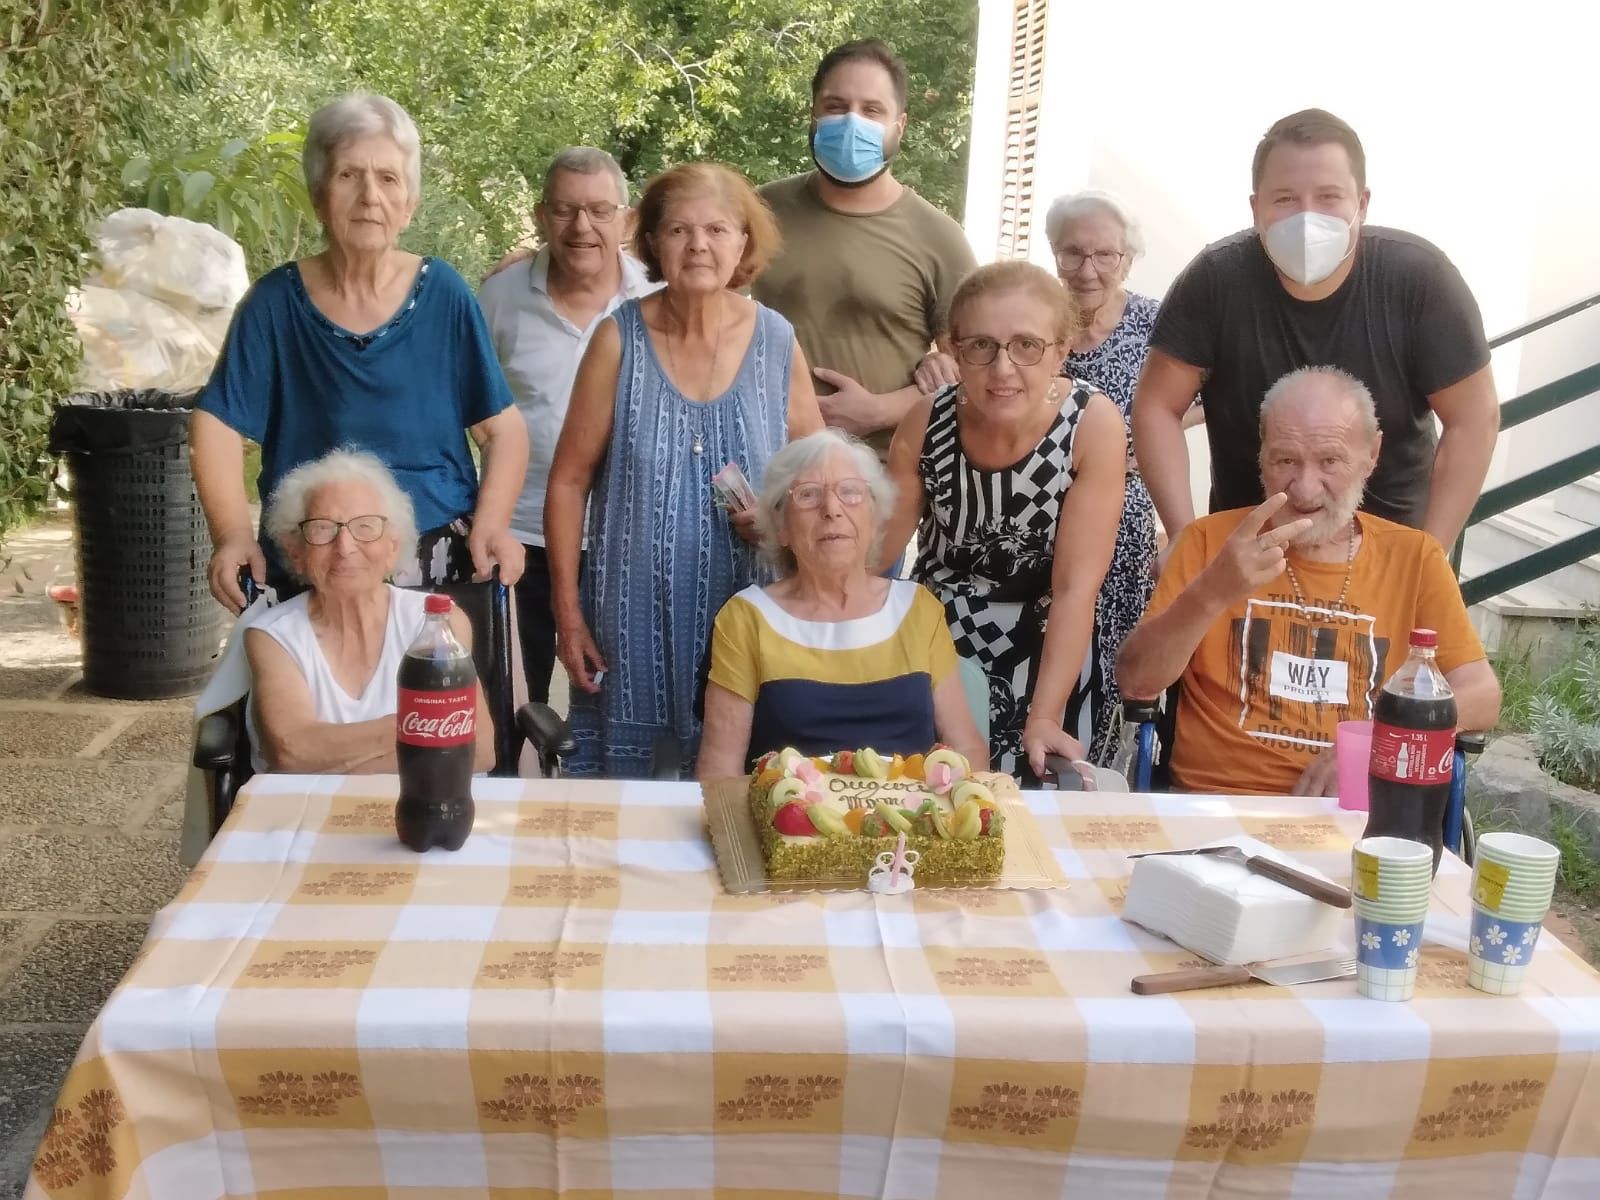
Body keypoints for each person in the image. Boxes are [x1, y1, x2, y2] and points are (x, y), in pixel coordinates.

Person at [192, 92, 528, 614]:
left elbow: (503, 430)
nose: (370, 196)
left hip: (434, 561)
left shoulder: (444, 294)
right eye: (349, 175)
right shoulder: (274, 302)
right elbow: (216, 424)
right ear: (318, 196)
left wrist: (492, 524)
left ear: (409, 204)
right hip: (313, 559)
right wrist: (232, 535)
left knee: (433, 673)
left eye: (388, 178)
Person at [546, 163, 824, 777]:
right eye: (679, 230)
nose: (699, 245)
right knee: (624, 797)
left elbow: (817, 474)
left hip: (749, 608)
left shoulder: (776, 340)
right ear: (652, 242)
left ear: (743, 243)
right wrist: (568, 614)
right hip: (629, 615)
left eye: (717, 229)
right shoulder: (618, 339)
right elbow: (567, 481)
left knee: (747, 789)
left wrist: (777, 518)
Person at [1118, 366, 1501, 797]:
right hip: (1218, 806)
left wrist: (1383, 737)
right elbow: (1136, 682)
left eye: (1330, 461)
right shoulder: (1207, 543)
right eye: (1285, 460)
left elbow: (1481, 693)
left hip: (1358, 811)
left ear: (1372, 455)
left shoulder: (1415, 557)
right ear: (1262, 454)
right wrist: (1211, 593)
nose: (1305, 488)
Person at [1132, 108, 1497, 552]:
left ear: (1362, 204)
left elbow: (1473, 418)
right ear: (1256, 209)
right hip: (1249, 554)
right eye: (1285, 199)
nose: (1306, 219)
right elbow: (1157, 405)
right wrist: (1185, 538)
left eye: (1328, 197)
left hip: (1386, 556)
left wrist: (1429, 555)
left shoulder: (1420, 282)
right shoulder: (1215, 282)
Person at [882, 260, 1126, 784]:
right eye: (981, 346)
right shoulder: (925, 421)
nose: (1002, 368)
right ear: (954, 349)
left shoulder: (1091, 426)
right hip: (934, 649)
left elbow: (1075, 589)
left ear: (1061, 351)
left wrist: (1045, 716)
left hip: (1046, 652)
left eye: (1027, 346)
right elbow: (875, 559)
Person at [477, 147, 660, 705]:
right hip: (520, 537)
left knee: (622, 701)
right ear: (540, 216)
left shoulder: (657, 297)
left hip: (626, 540)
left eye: (600, 211)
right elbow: (468, 405)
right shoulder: (499, 297)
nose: (582, 227)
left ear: (627, 221)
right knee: (515, 702)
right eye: (565, 210)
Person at [697, 430, 987, 777]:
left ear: (874, 518)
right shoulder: (746, 618)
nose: (832, 509)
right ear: (781, 525)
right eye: (808, 495)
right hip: (788, 810)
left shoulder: (918, 608)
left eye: (850, 492)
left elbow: (966, 746)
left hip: (908, 811)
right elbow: (720, 768)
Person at [752, 38, 976, 458]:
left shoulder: (939, 237)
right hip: (761, 463)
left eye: (871, 110)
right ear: (813, 113)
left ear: (899, 126)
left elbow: (973, 370)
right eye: (835, 106)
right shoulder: (759, 211)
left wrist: (881, 410)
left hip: (881, 475)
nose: (851, 122)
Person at [245, 449, 494, 774]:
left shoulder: (438, 624)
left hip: (430, 803)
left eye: (365, 527)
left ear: (393, 548)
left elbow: (479, 750)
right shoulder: (272, 636)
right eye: (322, 529)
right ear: (296, 553)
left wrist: (337, 765)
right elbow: (292, 752)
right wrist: (417, 725)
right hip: (313, 807)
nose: (345, 547)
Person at [1047, 189, 1162, 762]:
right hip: (1043, 505)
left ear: (1128, 259)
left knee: (1113, 647)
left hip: (1123, 510)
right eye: (1072, 253)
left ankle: (1101, 768)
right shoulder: (1039, 317)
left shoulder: (1156, 323)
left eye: (1104, 255)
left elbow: (1207, 396)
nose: (1087, 270)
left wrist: (1145, 445)